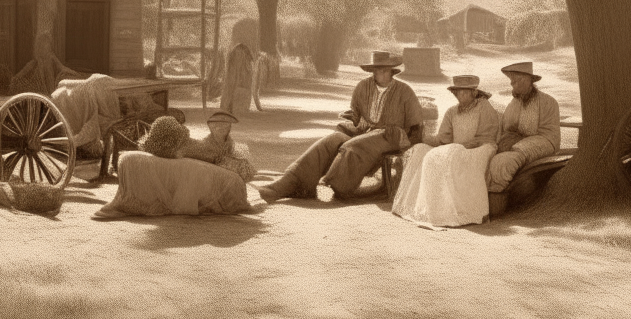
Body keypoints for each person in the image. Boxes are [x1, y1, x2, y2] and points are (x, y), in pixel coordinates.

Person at [257, 51, 423, 202]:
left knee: (352, 146)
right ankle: (291, 183)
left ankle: (339, 186)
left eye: (384, 70)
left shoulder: (405, 91)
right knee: (331, 140)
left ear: (392, 71)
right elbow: (356, 116)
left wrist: (409, 145)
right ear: (372, 71)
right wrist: (352, 121)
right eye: (376, 70)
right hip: (365, 132)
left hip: (392, 135)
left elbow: (415, 128)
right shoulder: (363, 87)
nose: (380, 74)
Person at [392, 75, 501, 228]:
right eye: (458, 92)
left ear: (474, 93)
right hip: (457, 149)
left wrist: (459, 147)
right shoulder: (452, 112)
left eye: (465, 92)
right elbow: (442, 139)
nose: (460, 95)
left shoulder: (484, 107)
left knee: (451, 154)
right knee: (420, 151)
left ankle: (454, 212)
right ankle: (428, 209)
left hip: (482, 148)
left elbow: (486, 136)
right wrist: (421, 140)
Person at [93, 115, 252, 218]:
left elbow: (212, 155)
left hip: (202, 155)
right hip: (180, 145)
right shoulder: (180, 147)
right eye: (218, 126)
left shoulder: (197, 146)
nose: (221, 129)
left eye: (224, 127)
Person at [487, 62, 560, 193]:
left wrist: (515, 142)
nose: (511, 84)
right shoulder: (514, 103)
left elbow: (545, 135)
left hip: (544, 141)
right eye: (511, 81)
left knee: (502, 163)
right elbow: (506, 127)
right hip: (515, 143)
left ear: (527, 80)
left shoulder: (548, 102)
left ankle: (498, 201)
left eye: (515, 80)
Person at [181, 110, 257, 182]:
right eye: (216, 124)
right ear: (210, 127)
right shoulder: (202, 146)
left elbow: (249, 174)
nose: (221, 127)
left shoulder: (239, 149)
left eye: (225, 124)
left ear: (230, 127)